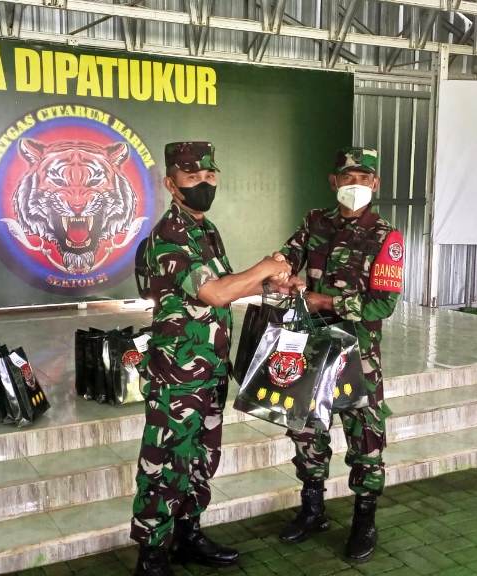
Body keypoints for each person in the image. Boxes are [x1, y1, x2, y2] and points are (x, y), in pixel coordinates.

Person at [131, 141, 291, 576]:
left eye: (209, 175)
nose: (203, 183)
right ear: (171, 184)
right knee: (166, 462)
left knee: (201, 457)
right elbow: (216, 293)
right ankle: (152, 555)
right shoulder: (169, 236)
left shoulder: (207, 230)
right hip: (177, 373)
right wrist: (263, 267)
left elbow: (229, 285)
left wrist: (273, 285)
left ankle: (188, 534)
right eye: (192, 176)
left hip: (211, 367)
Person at [273, 146, 404, 562]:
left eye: (364, 178)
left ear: (375, 183)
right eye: (348, 178)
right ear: (334, 182)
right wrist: (281, 274)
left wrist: (324, 301)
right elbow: (288, 256)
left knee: (365, 438)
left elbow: (383, 304)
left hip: (358, 355)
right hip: (312, 348)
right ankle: (312, 510)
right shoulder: (316, 222)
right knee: (307, 432)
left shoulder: (386, 236)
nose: (356, 184)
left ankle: (364, 520)